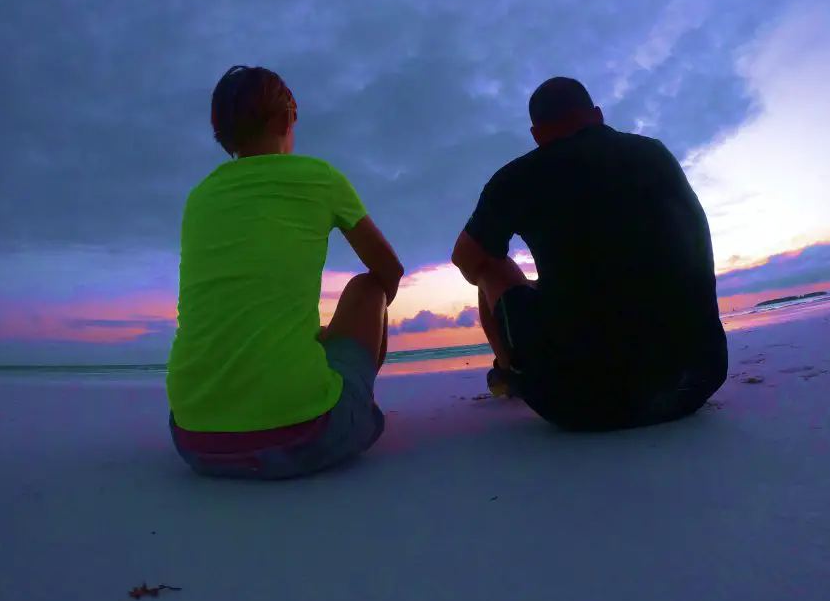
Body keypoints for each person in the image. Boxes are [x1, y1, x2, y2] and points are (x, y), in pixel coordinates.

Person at [166, 65, 404, 478]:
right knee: (368, 287)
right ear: (283, 118)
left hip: (193, 438)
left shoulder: (199, 197)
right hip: (304, 436)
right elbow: (389, 270)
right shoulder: (320, 178)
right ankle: (353, 407)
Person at [451, 77, 727, 431]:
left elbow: (465, 258)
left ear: (536, 135)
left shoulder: (518, 177)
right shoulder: (655, 154)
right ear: (597, 115)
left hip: (581, 402)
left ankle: (511, 373)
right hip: (698, 379)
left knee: (489, 260)